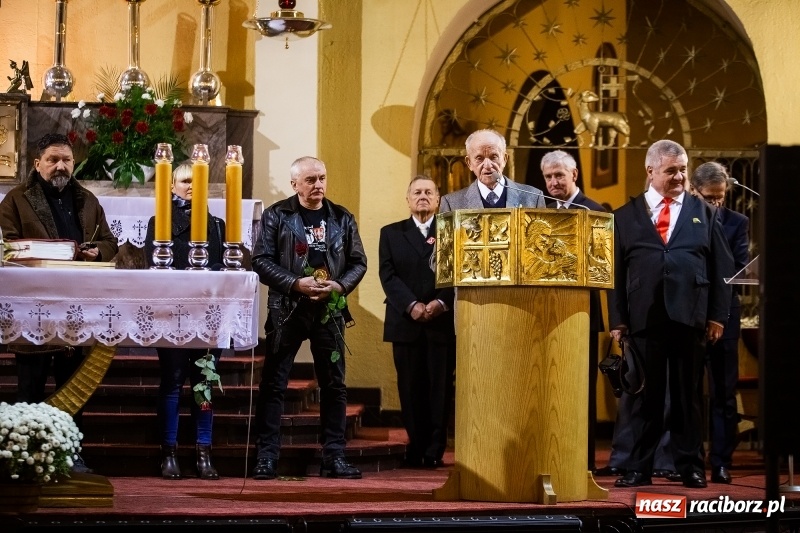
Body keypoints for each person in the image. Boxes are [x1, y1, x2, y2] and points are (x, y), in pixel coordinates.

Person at [607, 139, 734, 489]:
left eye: (682, 170)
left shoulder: (704, 212)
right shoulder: (624, 216)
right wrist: (617, 320)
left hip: (689, 318)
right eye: (671, 171)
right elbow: (614, 273)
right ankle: (638, 467)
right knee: (644, 400)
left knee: (686, 397)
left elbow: (722, 269)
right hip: (644, 319)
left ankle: (690, 466)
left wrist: (717, 317)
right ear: (650, 172)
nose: (679, 176)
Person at [0, 132, 118, 474]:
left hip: (77, 309)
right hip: (35, 306)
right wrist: (41, 252)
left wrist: (98, 252)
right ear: (37, 164)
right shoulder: (17, 199)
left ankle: (72, 454)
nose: (60, 166)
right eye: (53, 160)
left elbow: (109, 241)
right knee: (30, 388)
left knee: (73, 389)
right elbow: (6, 243)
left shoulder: (88, 199)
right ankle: (23, 456)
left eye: (66, 159)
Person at [250, 156, 367, 480]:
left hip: (328, 310)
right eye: (311, 179)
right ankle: (267, 457)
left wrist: (339, 285)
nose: (318, 185)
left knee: (334, 385)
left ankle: (334, 456)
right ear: (295, 184)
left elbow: (359, 261)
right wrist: (294, 283)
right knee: (274, 383)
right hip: (287, 309)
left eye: (322, 178)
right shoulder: (277, 215)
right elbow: (260, 260)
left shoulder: (342, 218)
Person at [144, 162, 226, 480]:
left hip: (207, 313)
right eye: (184, 180)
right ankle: (169, 452)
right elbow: (156, 263)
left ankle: (203, 452)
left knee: (203, 384)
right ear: (171, 186)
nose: (191, 185)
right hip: (172, 313)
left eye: (197, 180)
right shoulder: (158, 222)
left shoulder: (217, 225)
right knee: (172, 382)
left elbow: (221, 265)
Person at [379, 175, 455, 468]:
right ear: (408, 199)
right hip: (405, 322)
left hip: (440, 322)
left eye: (428, 192)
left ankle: (434, 449)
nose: (422, 197)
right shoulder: (391, 233)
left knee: (439, 388)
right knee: (410, 387)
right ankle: (416, 443)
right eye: (416, 192)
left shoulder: (452, 232)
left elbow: (459, 273)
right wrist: (411, 305)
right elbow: (388, 275)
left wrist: (440, 302)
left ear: (438, 199)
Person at [539, 149, 605, 471]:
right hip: (544, 314)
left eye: (559, 176)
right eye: (548, 177)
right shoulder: (538, 211)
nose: (553, 182)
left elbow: (602, 265)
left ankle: (584, 463)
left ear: (574, 175)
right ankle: (551, 457)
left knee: (581, 392)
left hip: (582, 314)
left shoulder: (595, 212)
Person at [690, 161, 749, 484]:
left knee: (725, 393)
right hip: (692, 315)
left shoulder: (737, 222)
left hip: (726, 313)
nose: (716, 204)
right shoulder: (685, 220)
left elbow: (738, 266)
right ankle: (691, 461)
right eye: (710, 198)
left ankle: (722, 461)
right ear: (694, 191)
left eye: (720, 198)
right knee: (690, 393)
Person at [439, 129, 546, 211]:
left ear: (504, 159)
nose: (487, 165)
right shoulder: (451, 204)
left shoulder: (533, 198)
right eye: (479, 158)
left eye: (493, 157)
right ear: (469, 163)